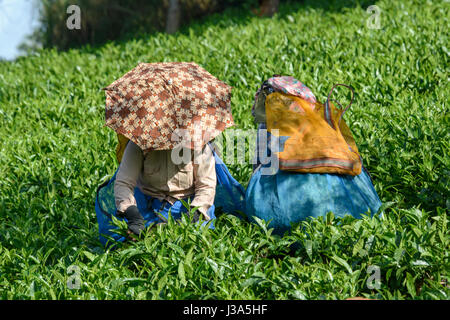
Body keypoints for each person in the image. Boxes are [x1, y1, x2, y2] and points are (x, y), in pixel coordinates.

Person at [114, 141, 216, 236]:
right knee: (130, 235)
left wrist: (194, 214)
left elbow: (206, 186)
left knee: (197, 236)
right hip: (149, 201)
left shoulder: (199, 143)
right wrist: (132, 214)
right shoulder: (138, 142)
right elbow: (123, 182)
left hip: (188, 203)